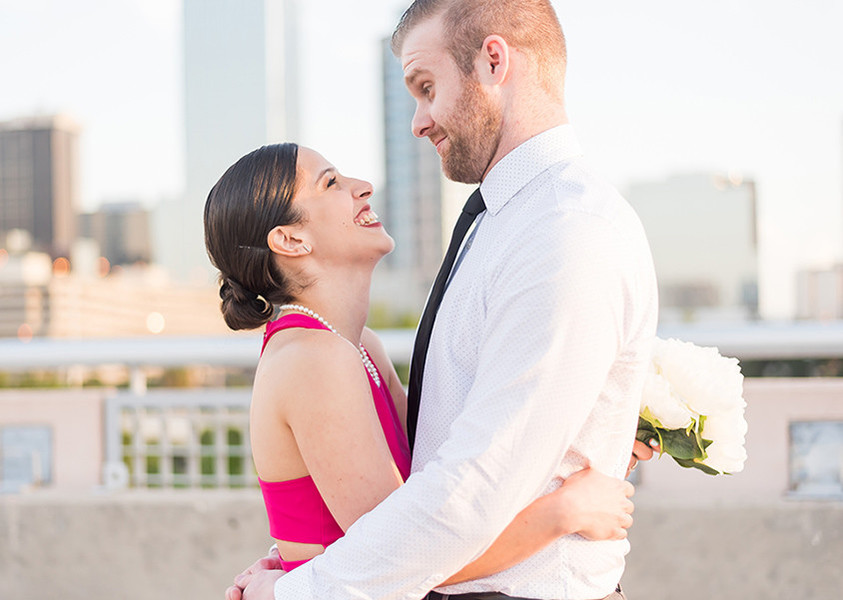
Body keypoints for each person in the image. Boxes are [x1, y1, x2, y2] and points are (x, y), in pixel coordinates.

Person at [232, 0, 659, 598]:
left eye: (427, 87)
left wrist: (300, 585)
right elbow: (445, 453)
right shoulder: (504, 219)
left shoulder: (562, 231)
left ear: (492, 61)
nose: (418, 121)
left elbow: (471, 487)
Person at [204, 142, 638, 593]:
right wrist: (564, 512)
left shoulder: (354, 345)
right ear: (291, 239)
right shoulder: (314, 359)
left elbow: (442, 474)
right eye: (330, 182)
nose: (363, 187)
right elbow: (408, 557)